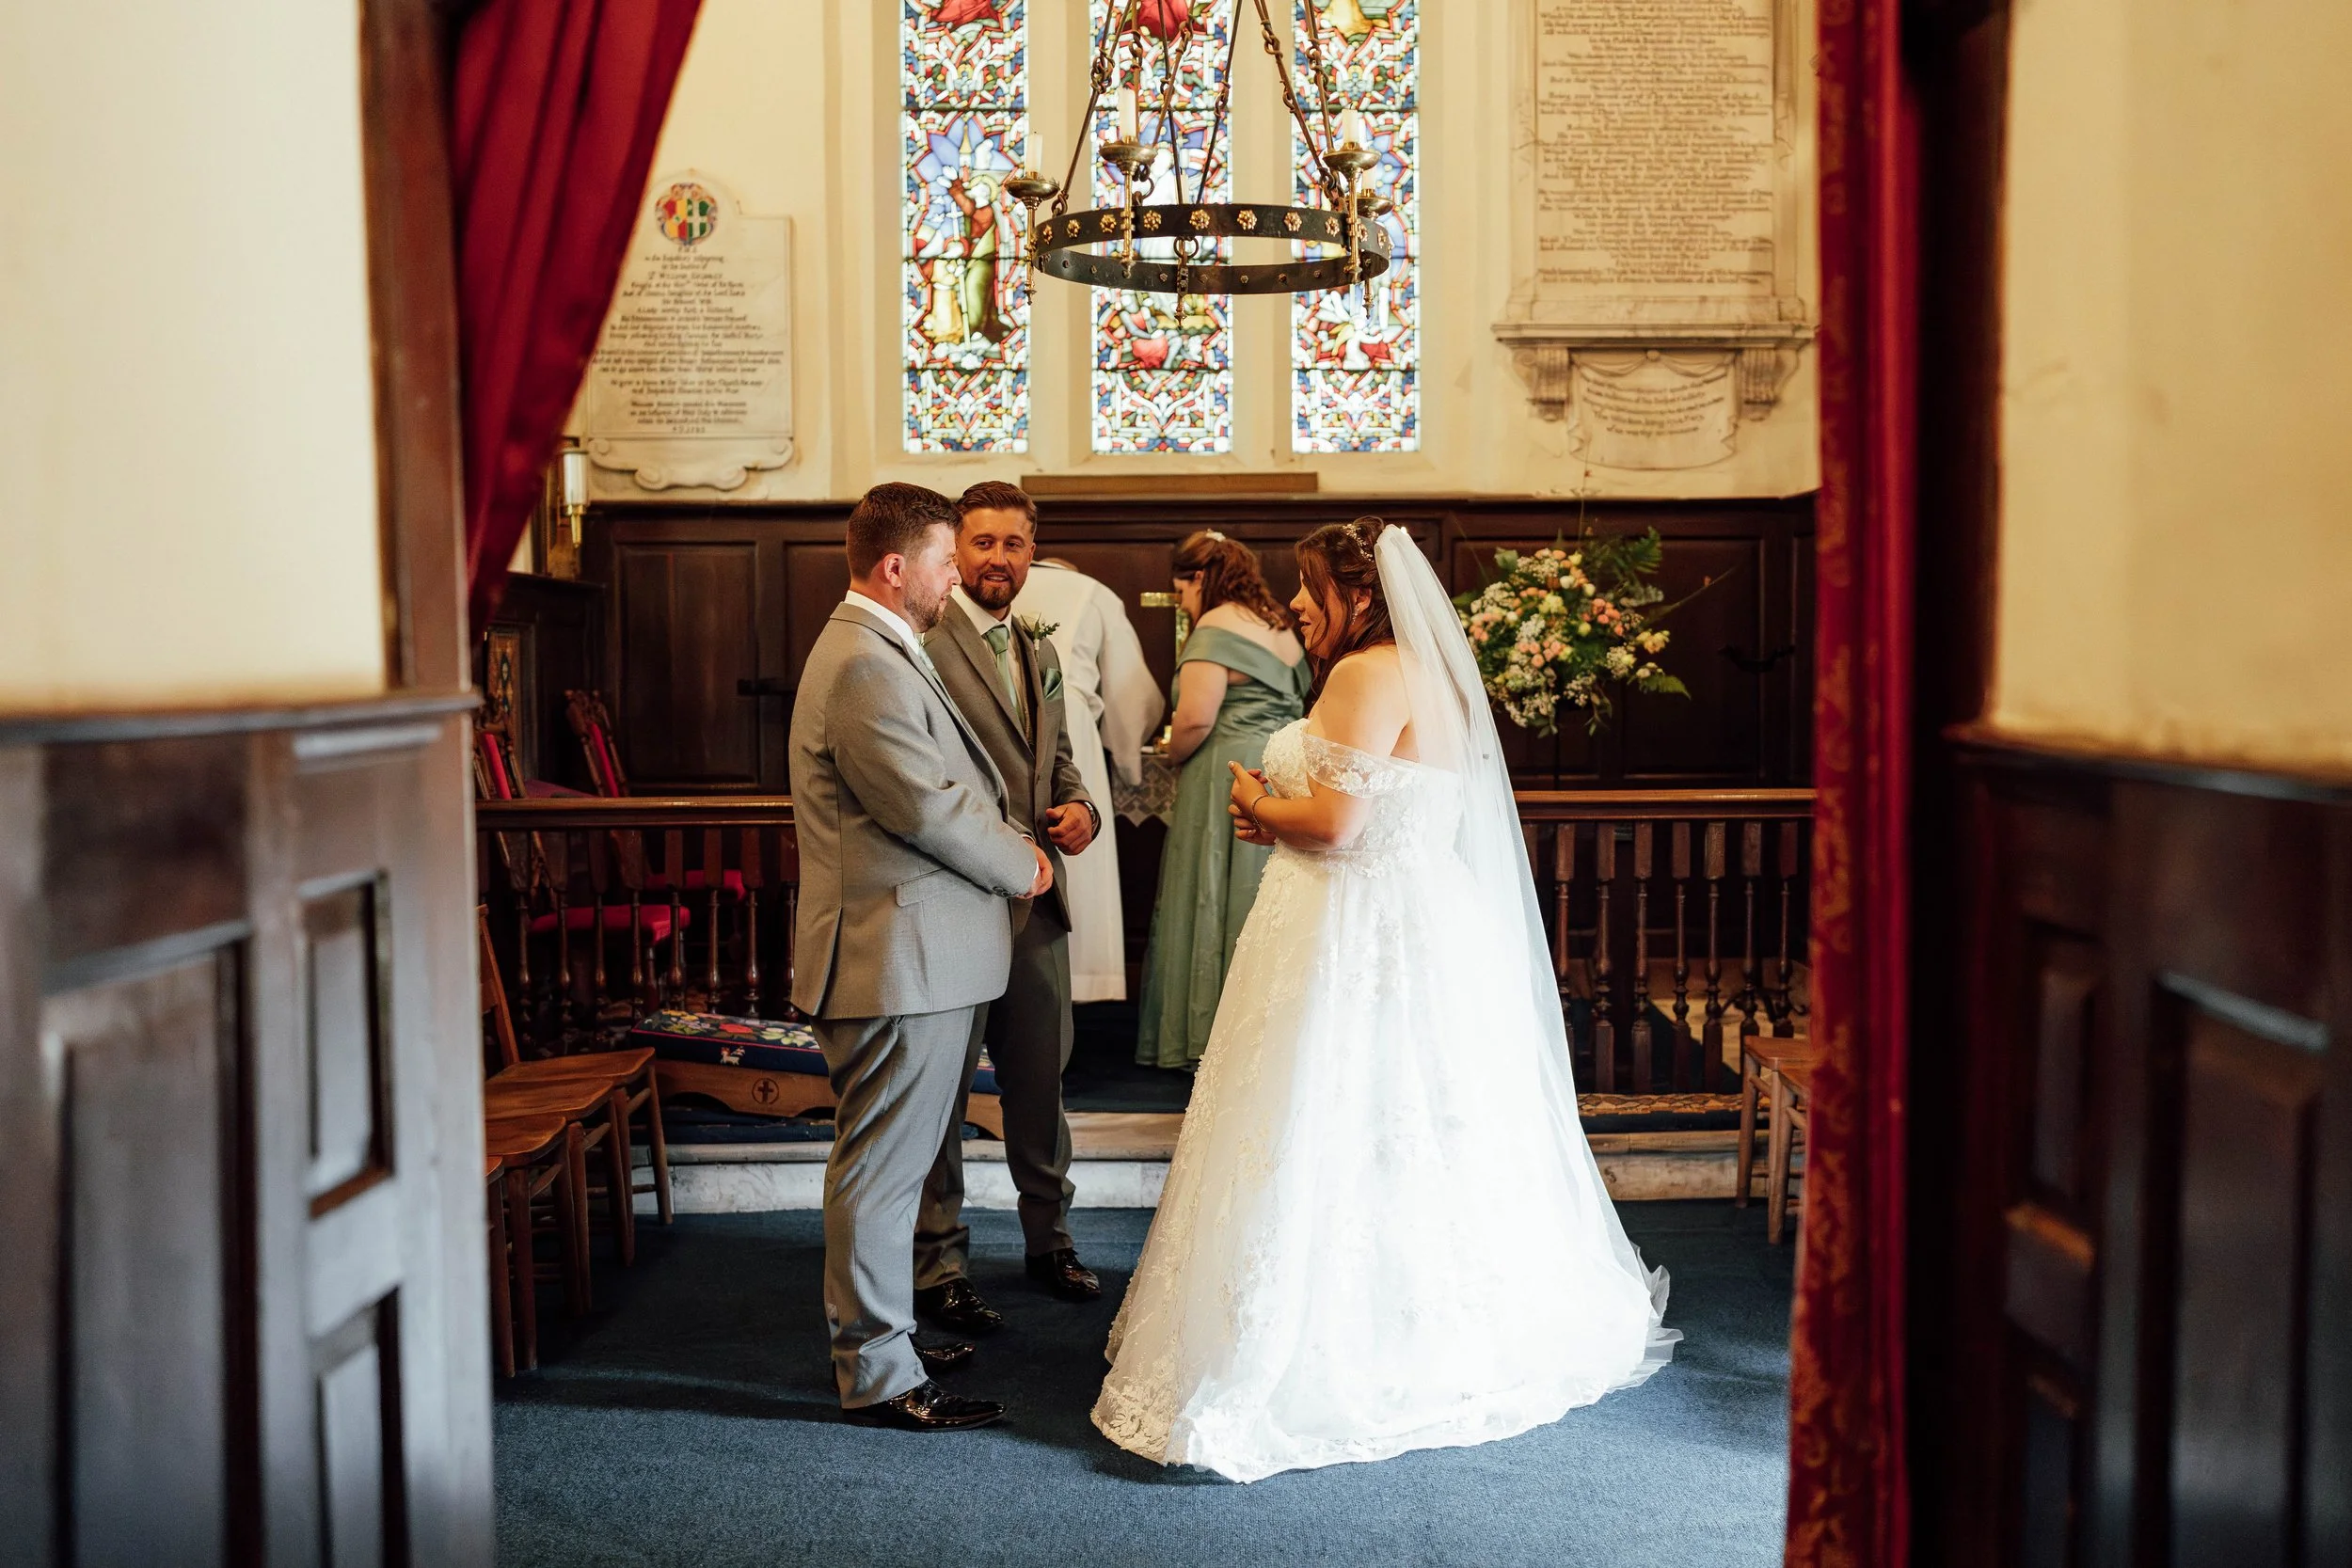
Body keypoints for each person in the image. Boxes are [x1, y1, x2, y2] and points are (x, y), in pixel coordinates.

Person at [1093, 519, 1679, 1481]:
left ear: (1358, 596)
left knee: (1336, 1114)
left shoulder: (1364, 674)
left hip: (1352, 928)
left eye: (1310, 587)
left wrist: (1256, 809)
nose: (1297, 604)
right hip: (1413, 921)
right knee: (1410, 1120)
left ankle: (1349, 1338)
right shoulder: (1429, 672)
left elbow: (1334, 822)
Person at [788, 483, 1053, 1433]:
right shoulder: (863, 661)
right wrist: (1022, 861)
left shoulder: (883, 645)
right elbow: (924, 804)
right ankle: (876, 1368)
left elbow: (949, 780)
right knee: (882, 1169)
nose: (956, 579)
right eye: (946, 560)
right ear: (897, 568)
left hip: (919, 953)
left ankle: (886, 1329)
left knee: (890, 1165)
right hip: (893, 956)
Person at [912, 482, 1106, 1333]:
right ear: (954, 552)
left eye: (1014, 544)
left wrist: (1081, 809)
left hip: (1036, 908)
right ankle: (939, 1262)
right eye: (982, 542)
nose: (998, 557)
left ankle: (1048, 1237)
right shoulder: (918, 642)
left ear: (1034, 551)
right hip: (954, 902)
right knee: (942, 1097)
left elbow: (1055, 758)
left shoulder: (1039, 646)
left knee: (1039, 1086)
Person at [1135, 530, 1310, 1069]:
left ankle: (1210, 1039)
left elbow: (1195, 717)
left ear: (1199, 579)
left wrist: (1168, 755)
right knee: (1266, 893)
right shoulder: (1280, 623)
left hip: (1227, 768)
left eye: (1183, 591)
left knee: (1212, 886)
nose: (1185, 603)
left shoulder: (1213, 625)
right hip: (1282, 766)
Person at [1012, 546, 1166, 1004]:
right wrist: (1128, 761)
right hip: (1070, 724)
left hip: (993, 716)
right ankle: (1076, 985)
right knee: (1074, 850)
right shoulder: (1093, 593)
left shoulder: (972, 589)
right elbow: (1131, 696)